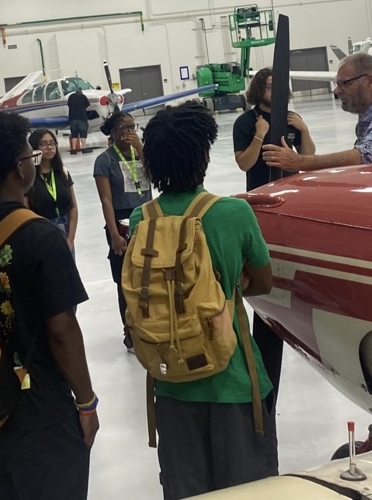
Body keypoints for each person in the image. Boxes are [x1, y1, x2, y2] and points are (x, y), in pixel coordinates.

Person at [0, 112, 98, 498]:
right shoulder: (42, 235)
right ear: (18, 168)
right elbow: (61, 331)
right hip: (39, 405)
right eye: (30, 155)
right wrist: (86, 402)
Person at [130, 101, 276, 499]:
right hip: (234, 380)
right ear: (204, 156)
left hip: (171, 381)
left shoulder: (143, 219)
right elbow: (263, 282)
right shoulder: (233, 212)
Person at [232, 67, 315, 412]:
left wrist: (304, 130)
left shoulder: (294, 119)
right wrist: (259, 136)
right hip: (263, 210)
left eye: (278, 84)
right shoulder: (246, 122)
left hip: (294, 207)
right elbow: (243, 164)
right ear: (257, 89)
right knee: (267, 280)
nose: (274, 89)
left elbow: (308, 160)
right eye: (268, 85)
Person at [262, 53, 372, 171]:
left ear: (369, 80)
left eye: (345, 84)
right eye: (337, 84)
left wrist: (300, 162)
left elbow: (371, 156)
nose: (337, 91)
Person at [93, 111, 152, 351]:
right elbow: (106, 200)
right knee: (125, 279)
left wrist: (140, 148)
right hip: (120, 221)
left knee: (149, 275)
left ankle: (151, 326)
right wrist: (114, 236)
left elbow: (157, 178)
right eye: (123, 128)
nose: (129, 131)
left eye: (132, 127)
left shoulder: (143, 154)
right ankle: (129, 331)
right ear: (113, 132)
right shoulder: (105, 160)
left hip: (147, 218)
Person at [26, 129, 78, 253]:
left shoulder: (63, 172)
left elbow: (73, 207)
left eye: (52, 143)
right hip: (42, 234)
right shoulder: (28, 178)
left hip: (65, 232)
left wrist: (70, 240)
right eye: (43, 144)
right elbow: (26, 210)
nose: (49, 147)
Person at [67, 87, 91, 154]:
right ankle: (84, 149)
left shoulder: (70, 97)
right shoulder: (83, 96)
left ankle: (73, 150)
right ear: (81, 91)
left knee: (74, 135)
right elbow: (88, 106)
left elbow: (68, 105)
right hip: (82, 118)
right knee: (83, 134)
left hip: (72, 118)